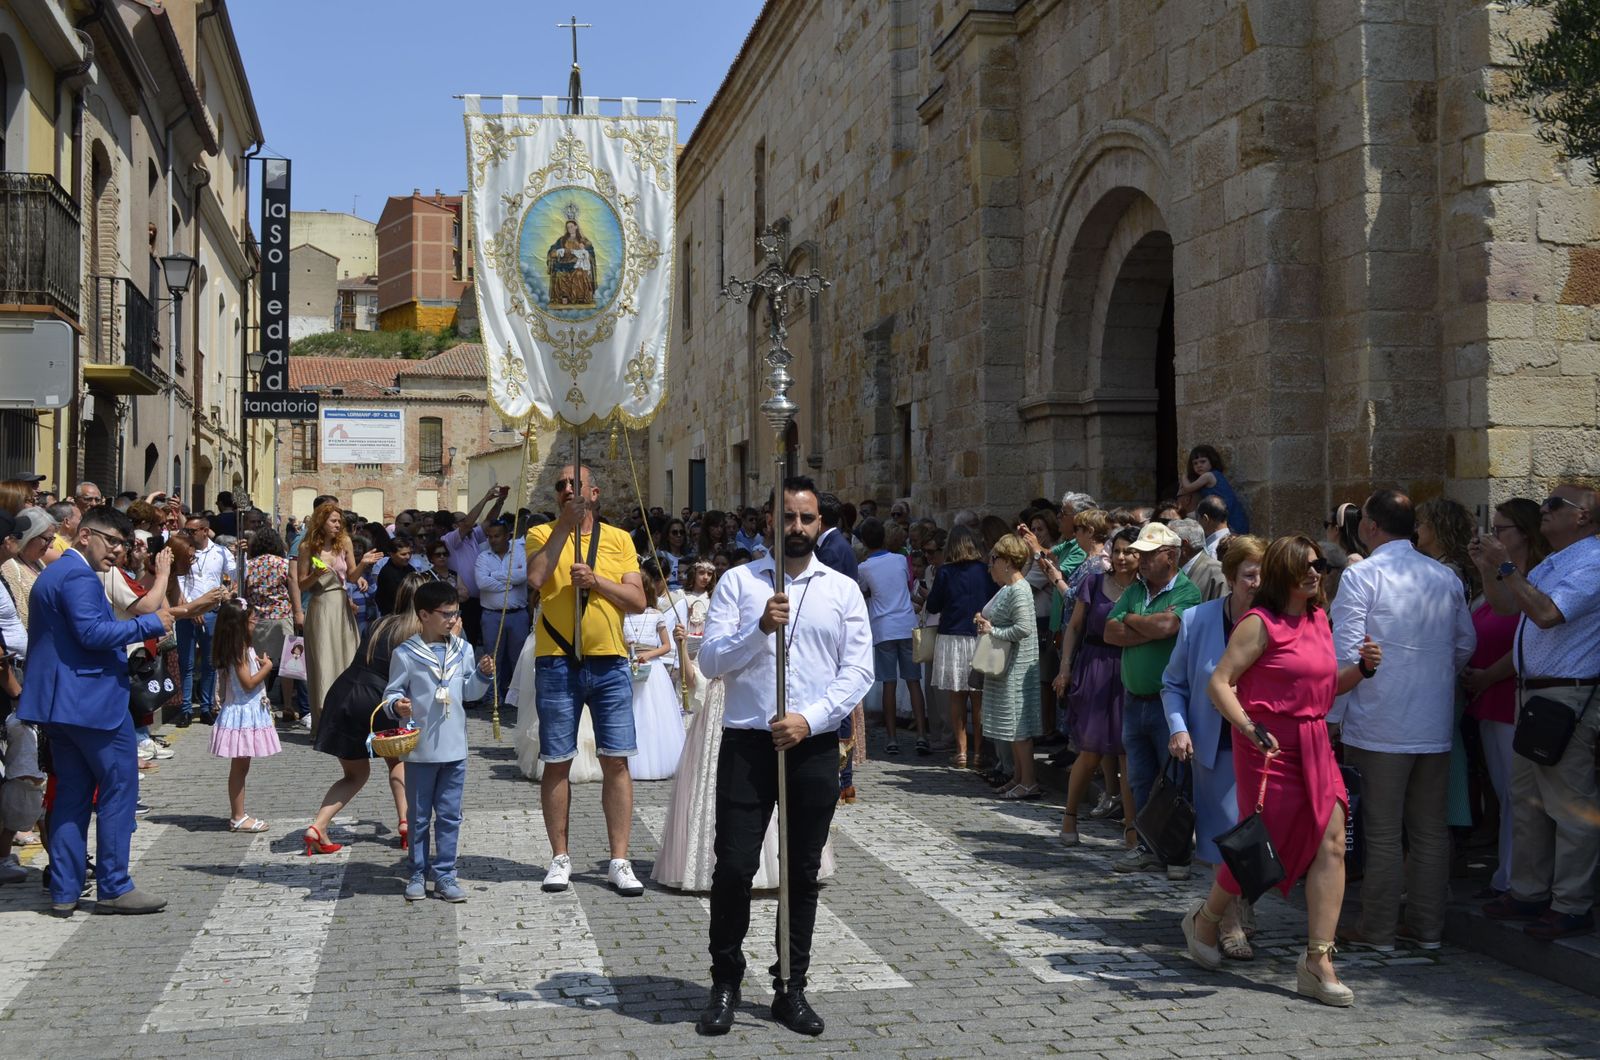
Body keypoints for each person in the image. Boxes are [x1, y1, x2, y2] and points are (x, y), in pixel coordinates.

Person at [694, 477, 872, 1037]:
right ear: (770, 522)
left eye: (806, 518)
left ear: (820, 524)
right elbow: (710, 661)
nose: (796, 528)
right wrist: (758, 628)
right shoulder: (738, 583)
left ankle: (790, 986)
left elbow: (859, 670)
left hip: (812, 744)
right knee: (736, 867)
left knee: (801, 870)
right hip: (749, 742)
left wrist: (811, 719)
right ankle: (725, 981)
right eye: (787, 518)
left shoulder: (842, 589)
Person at [1185, 534, 1381, 1006]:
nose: (1315, 572)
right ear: (1282, 572)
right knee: (1264, 845)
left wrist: (1362, 671)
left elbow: (1322, 689)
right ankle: (1206, 919)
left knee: (1331, 841)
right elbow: (1219, 683)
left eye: (1320, 565)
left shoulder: (1317, 619)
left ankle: (1318, 960)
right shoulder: (1258, 623)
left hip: (1313, 742)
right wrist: (1250, 728)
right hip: (1267, 746)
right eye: (1305, 565)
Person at [1331, 490, 1475, 952]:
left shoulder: (1362, 576)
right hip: (1430, 722)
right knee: (1431, 830)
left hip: (1380, 722)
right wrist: (1432, 678)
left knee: (1385, 831)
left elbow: (1345, 652)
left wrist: (1332, 716)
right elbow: (1463, 644)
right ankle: (1427, 928)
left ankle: (1377, 930)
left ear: (1370, 527)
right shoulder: (1443, 576)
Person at [16, 506, 173, 915]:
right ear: (85, 535)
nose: (118, 551)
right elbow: (93, 633)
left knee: (71, 795)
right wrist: (151, 623)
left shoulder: (55, 573)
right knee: (119, 789)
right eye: (112, 541)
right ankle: (115, 884)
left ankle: (65, 890)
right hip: (92, 702)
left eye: (123, 544)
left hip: (61, 704)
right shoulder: (78, 576)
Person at [1470, 484, 1600, 940]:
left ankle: (1571, 904)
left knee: (1570, 807)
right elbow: (1508, 605)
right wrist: (1490, 569)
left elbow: (1546, 614)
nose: (1543, 510)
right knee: (1527, 802)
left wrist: (1505, 565)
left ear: (1582, 516)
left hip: (1568, 697)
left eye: (1553, 505)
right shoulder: (1553, 560)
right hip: (1537, 698)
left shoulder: (1593, 562)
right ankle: (1528, 892)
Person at [526, 465, 648, 896]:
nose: (566, 489)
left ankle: (619, 859)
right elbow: (537, 579)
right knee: (557, 759)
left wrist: (597, 581)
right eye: (559, 485)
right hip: (557, 661)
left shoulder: (620, 540)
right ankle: (560, 857)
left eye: (574, 484)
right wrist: (563, 526)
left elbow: (637, 600)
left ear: (594, 493)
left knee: (616, 760)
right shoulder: (541, 534)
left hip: (609, 661)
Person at [1162, 534, 1267, 958]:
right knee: (1223, 835)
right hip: (1215, 747)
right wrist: (1178, 727)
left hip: (1263, 748)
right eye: (1249, 574)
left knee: (1258, 834)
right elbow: (1173, 683)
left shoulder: (1272, 621)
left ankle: (1240, 903)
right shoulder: (1198, 621)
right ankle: (1226, 921)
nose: (1257, 582)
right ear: (1229, 577)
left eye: (1264, 573)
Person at [381, 581, 495, 902]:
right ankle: (417, 871)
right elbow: (391, 693)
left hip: (455, 748)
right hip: (419, 751)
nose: (453, 620)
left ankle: (445, 874)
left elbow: (469, 693)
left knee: (449, 815)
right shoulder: (406, 654)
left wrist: (483, 676)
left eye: (456, 613)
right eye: (446, 614)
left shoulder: (464, 650)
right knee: (418, 817)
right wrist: (397, 706)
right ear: (424, 615)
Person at [1106, 520, 1203, 877]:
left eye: (1149, 554)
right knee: (1141, 780)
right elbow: (1109, 631)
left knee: (1176, 781)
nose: (1141, 560)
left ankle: (1176, 853)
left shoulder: (1187, 592)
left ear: (1171, 556)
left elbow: (1170, 628)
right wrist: (1147, 625)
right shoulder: (1136, 590)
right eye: (1139, 554)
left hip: (1168, 704)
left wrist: (1132, 621)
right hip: (1135, 699)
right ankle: (1148, 847)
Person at [306, 573, 428, 856]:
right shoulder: (418, 634)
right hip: (379, 700)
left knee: (354, 775)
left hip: (343, 693)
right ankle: (406, 823)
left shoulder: (379, 622)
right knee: (398, 760)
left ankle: (318, 826)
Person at [1461, 498, 1547, 899]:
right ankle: (1511, 873)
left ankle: (1518, 878)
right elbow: (1499, 606)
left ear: (1525, 534)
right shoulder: (1506, 578)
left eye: (1502, 530)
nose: (1495, 536)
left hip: (1510, 696)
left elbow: (1528, 641)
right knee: (1506, 792)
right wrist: (1486, 567)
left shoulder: (1538, 578)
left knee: (1520, 797)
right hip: (1491, 700)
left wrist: (1488, 676)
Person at [1056, 527, 1139, 844]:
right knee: (1090, 749)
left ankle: (1131, 831)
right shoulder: (1094, 582)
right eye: (1116, 550)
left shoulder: (1144, 590)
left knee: (1126, 754)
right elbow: (1074, 627)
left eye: (1128, 551)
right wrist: (1065, 668)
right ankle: (1069, 818)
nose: (1120, 557)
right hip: (1094, 668)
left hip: (1128, 667)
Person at [974, 533, 1043, 799]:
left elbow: (1024, 628)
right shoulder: (1011, 588)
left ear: (1006, 560)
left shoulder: (1020, 589)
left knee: (1019, 728)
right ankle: (1018, 777)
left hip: (1017, 667)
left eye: (993, 559)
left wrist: (994, 630)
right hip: (1007, 666)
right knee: (1012, 728)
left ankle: (1029, 781)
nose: (990, 564)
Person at [297, 502, 374, 736]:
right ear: (321, 521)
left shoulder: (345, 543)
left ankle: (347, 719)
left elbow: (351, 576)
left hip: (341, 606)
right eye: (333, 521)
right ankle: (323, 723)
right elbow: (301, 584)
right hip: (320, 606)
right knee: (322, 663)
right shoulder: (307, 547)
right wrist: (314, 575)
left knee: (346, 659)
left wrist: (363, 565)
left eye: (339, 521)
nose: (338, 525)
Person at [924, 526, 996, 769]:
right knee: (978, 698)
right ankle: (978, 752)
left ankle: (962, 750)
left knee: (956, 696)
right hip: (978, 635)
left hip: (952, 635)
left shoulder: (945, 572)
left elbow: (933, 605)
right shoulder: (984, 571)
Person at [208, 600, 281, 833]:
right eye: (251, 619)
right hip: (241, 713)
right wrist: (267, 668)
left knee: (242, 767)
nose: (255, 622)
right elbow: (248, 684)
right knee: (239, 767)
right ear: (239, 624)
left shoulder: (240, 648)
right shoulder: (238, 649)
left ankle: (239, 813)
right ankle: (238, 816)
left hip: (244, 711)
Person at [856, 517, 928, 754]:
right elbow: (906, 584)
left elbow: (864, 591)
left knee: (889, 683)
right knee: (913, 681)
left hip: (884, 627)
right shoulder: (900, 559)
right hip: (905, 622)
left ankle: (892, 738)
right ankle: (921, 735)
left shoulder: (864, 567)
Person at [625, 557, 687, 780]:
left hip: (653, 670)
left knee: (653, 714)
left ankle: (656, 758)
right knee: (631, 713)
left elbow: (667, 645)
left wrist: (647, 655)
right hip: (629, 666)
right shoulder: (623, 616)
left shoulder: (656, 615)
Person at [175, 514, 236, 727]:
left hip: (212, 612)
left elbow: (235, 575)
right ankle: (185, 709)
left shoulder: (220, 551)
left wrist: (229, 590)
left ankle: (206, 707)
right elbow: (179, 579)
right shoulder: (183, 549)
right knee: (187, 662)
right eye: (186, 531)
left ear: (204, 530)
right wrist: (192, 607)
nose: (188, 534)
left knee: (210, 663)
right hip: (186, 611)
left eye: (191, 531)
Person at [242, 527, 302, 725]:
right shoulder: (284, 564)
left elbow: (243, 590)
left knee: (260, 662)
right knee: (288, 665)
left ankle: (263, 704)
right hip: (282, 617)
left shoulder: (249, 565)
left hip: (256, 618)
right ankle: (287, 706)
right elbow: (293, 588)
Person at [475, 520, 530, 716]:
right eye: (489, 536)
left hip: (517, 615)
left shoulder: (520, 552)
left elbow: (523, 576)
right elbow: (482, 582)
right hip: (492, 615)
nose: (492, 540)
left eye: (497, 535)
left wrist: (495, 575)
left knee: (518, 658)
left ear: (507, 535)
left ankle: (519, 699)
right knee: (492, 657)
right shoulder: (483, 556)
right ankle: (493, 697)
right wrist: (508, 585)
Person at [1176, 444, 1249, 533]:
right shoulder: (1212, 476)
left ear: (1212, 461)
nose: (1199, 465)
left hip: (1230, 517)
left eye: (1203, 462)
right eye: (1195, 463)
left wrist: (1184, 477)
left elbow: (1188, 488)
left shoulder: (1208, 476)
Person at [1172, 518, 1226, 602]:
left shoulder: (1217, 573)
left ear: (1184, 546)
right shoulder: (1170, 572)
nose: (1163, 549)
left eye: (1168, 544)